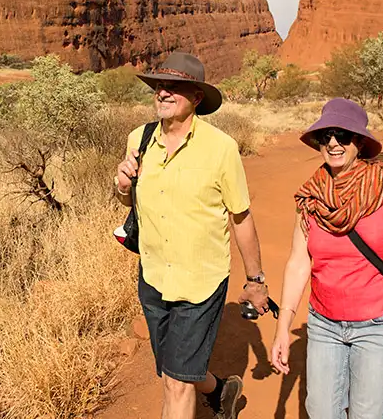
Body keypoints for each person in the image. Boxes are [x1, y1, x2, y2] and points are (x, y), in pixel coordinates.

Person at [269, 98, 383, 419]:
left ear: (359, 142)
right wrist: (283, 328)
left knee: (366, 415)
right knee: (320, 412)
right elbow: (298, 263)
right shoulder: (311, 197)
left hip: (379, 325)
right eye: (325, 135)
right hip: (324, 325)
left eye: (342, 135)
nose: (332, 143)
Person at [114, 52, 270, 419]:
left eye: (175, 87)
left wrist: (255, 280)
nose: (164, 93)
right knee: (173, 367)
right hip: (153, 276)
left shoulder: (221, 148)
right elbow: (127, 197)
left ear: (197, 98)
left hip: (202, 280)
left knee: (176, 383)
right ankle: (221, 391)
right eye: (160, 86)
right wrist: (122, 184)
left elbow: (241, 217)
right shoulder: (140, 138)